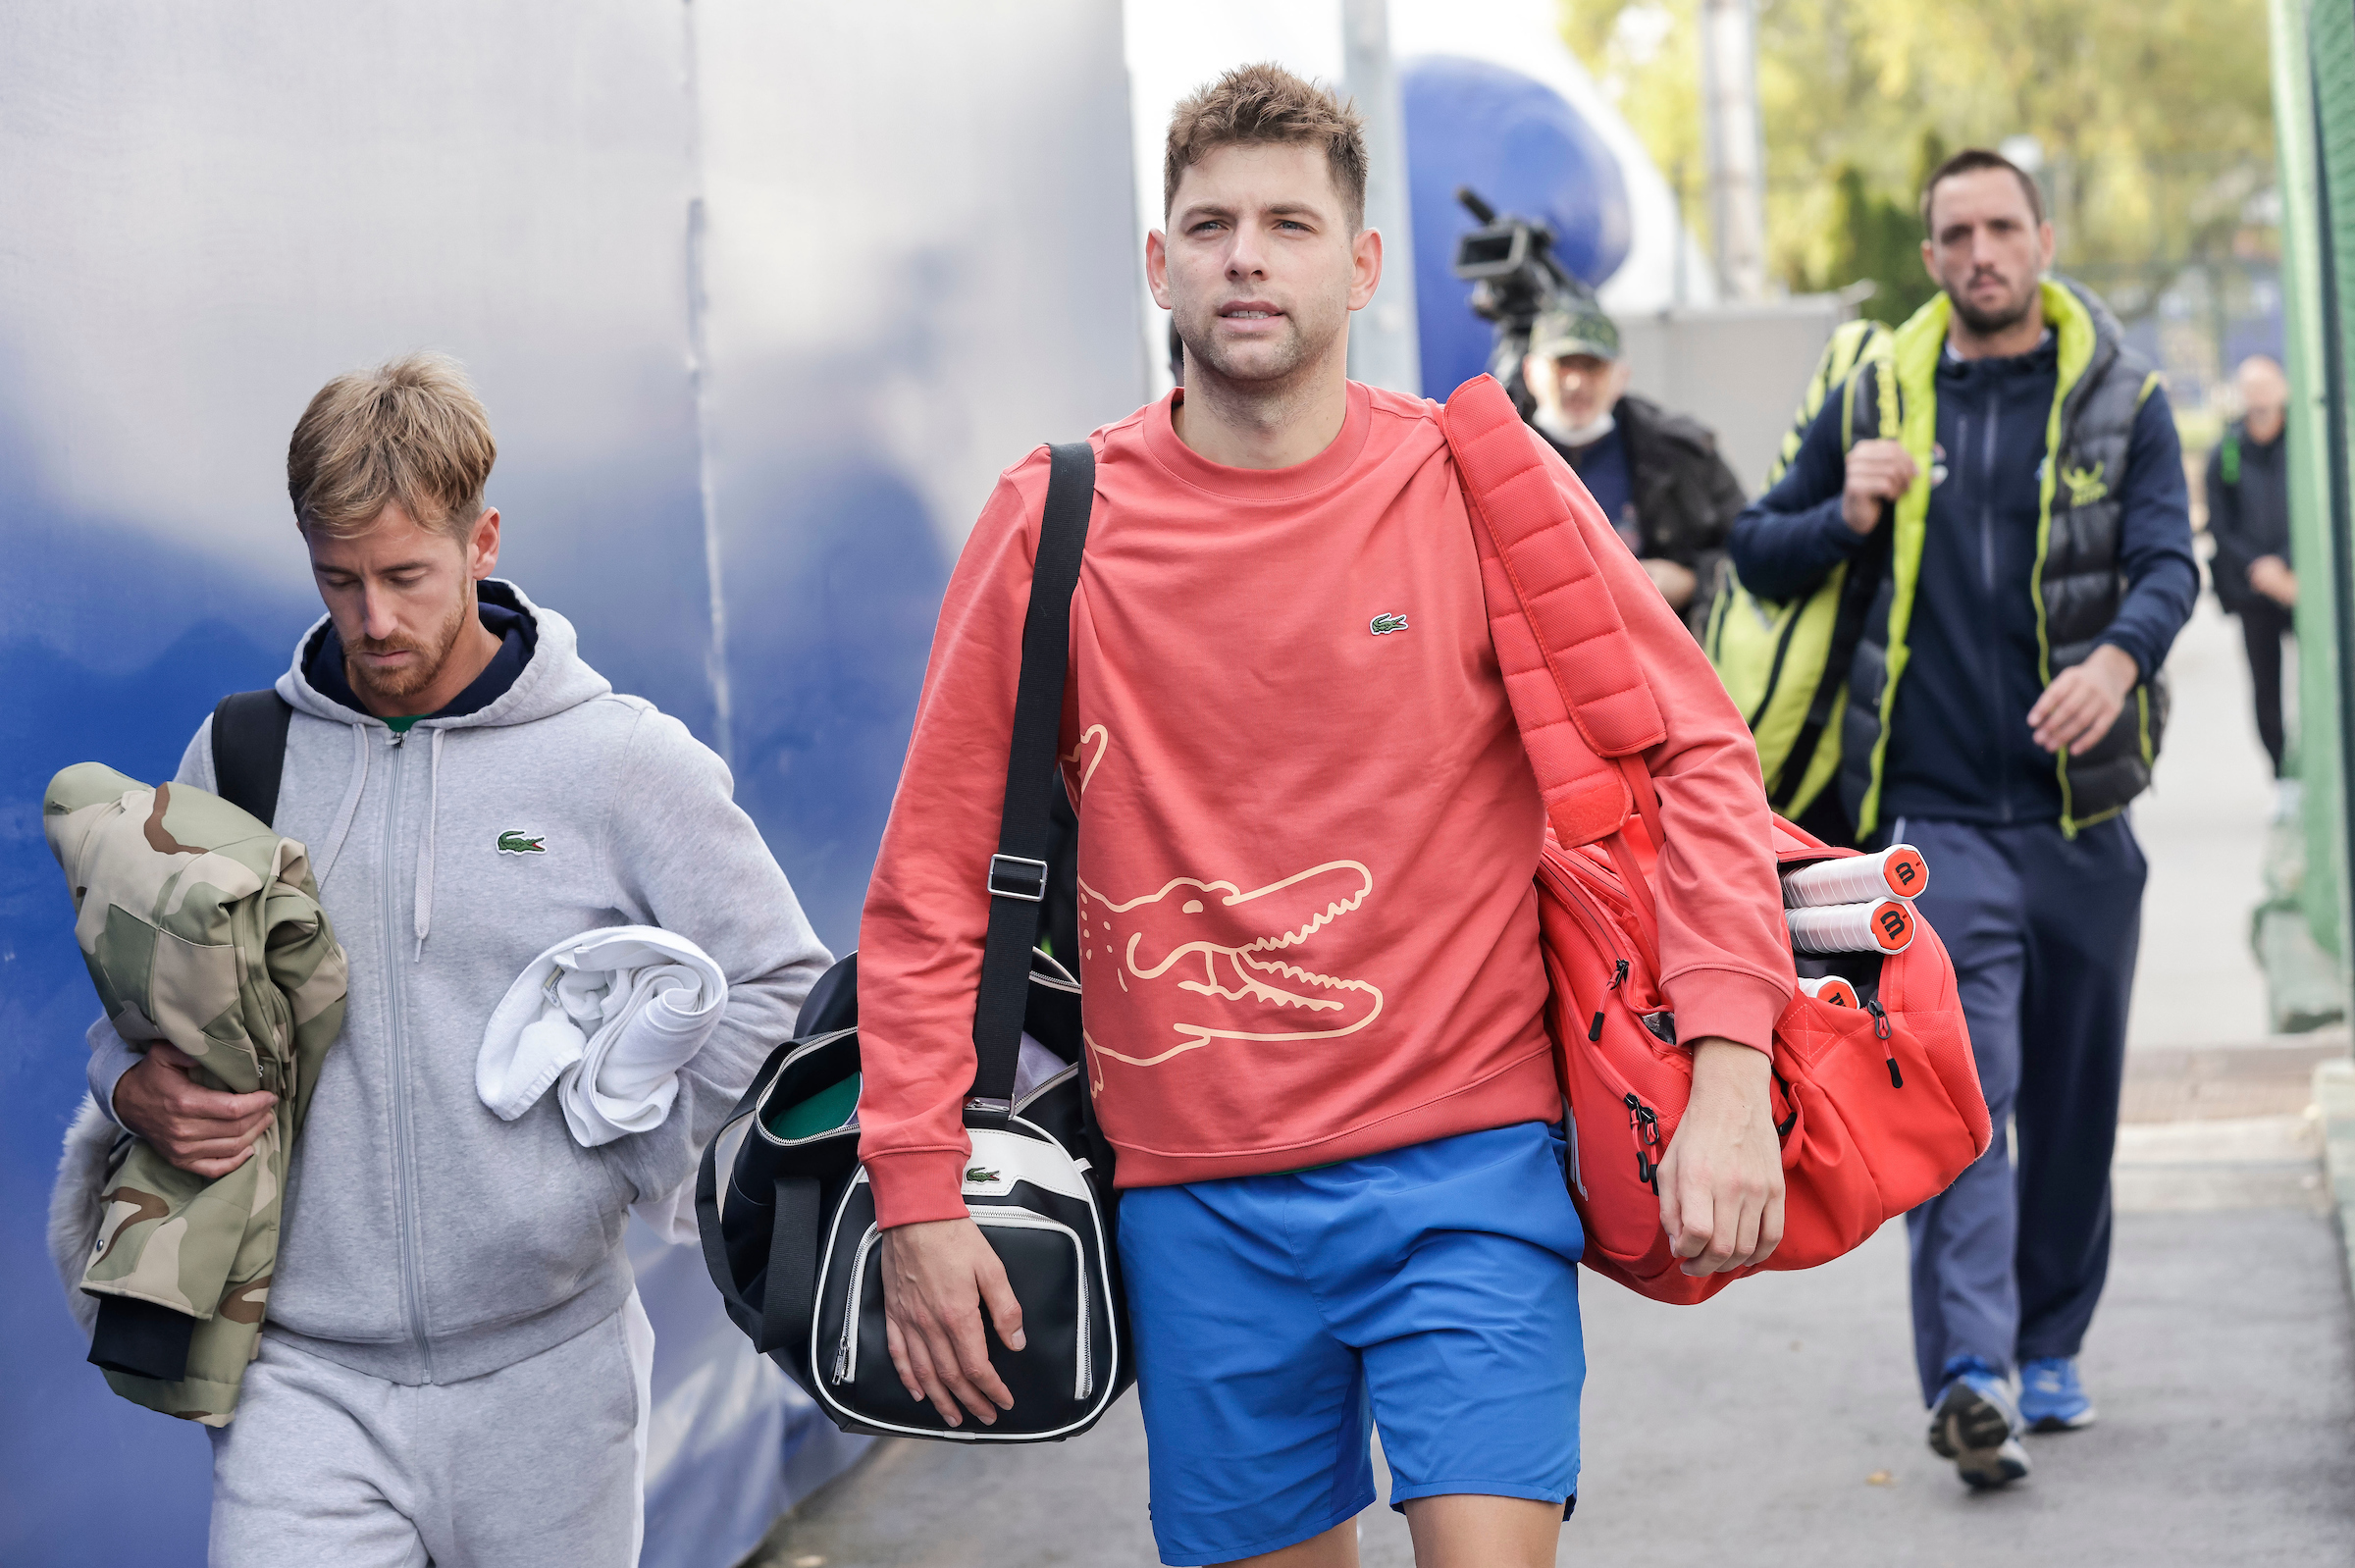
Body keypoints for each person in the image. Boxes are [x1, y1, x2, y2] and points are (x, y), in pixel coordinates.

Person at [857, 65, 1794, 1568]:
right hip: (1200, 1208)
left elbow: (1697, 759)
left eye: (1289, 223)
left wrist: (1732, 1074)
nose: (1246, 255)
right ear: (1158, 264)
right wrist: (915, 1188)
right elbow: (935, 878)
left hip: (1467, 1170)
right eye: (1211, 223)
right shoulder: (1058, 517)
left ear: (1360, 265)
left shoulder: (1477, 485)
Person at [86, 353, 831, 1566]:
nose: (373, 619)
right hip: (299, 1378)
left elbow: (787, 996)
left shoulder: (619, 762)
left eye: (405, 575)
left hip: (548, 1369)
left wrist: (638, 1117)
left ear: (482, 538)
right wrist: (134, 1089)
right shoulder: (240, 757)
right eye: (339, 579)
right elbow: (144, 1004)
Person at [1729, 148, 2198, 1489]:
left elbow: (2169, 560)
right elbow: (1757, 547)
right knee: (1963, 1098)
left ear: (2044, 239)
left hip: (2082, 821)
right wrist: (1847, 507)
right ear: (1931, 256)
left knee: (2073, 1100)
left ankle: (2050, 1342)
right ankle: (1972, 1373)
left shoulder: (2125, 394)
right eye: (1955, 232)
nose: (1980, 249)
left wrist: (2116, 661)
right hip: (1934, 824)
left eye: (2002, 226)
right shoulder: (1877, 385)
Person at [1521, 295, 1749, 636]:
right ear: (1530, 372)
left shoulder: (1682, 454)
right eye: (1563, 364)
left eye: (1592, 366)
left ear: (1621, 376)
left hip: (1649, 656)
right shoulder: (1485, 455)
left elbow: (1751, 551)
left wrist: (1691, 582)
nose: (1576, 382)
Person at [2205, 354, 2295, 780]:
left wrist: (2290, 564)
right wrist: (2261, 569)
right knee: (2265, 685)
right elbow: (2220, 526)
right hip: (2253, 588)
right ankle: (2281, 772)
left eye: (2266, 385)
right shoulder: (2225, 452)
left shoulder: (2306, 444)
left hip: (2301, 582)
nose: (2259, 395)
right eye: (2250, 387)